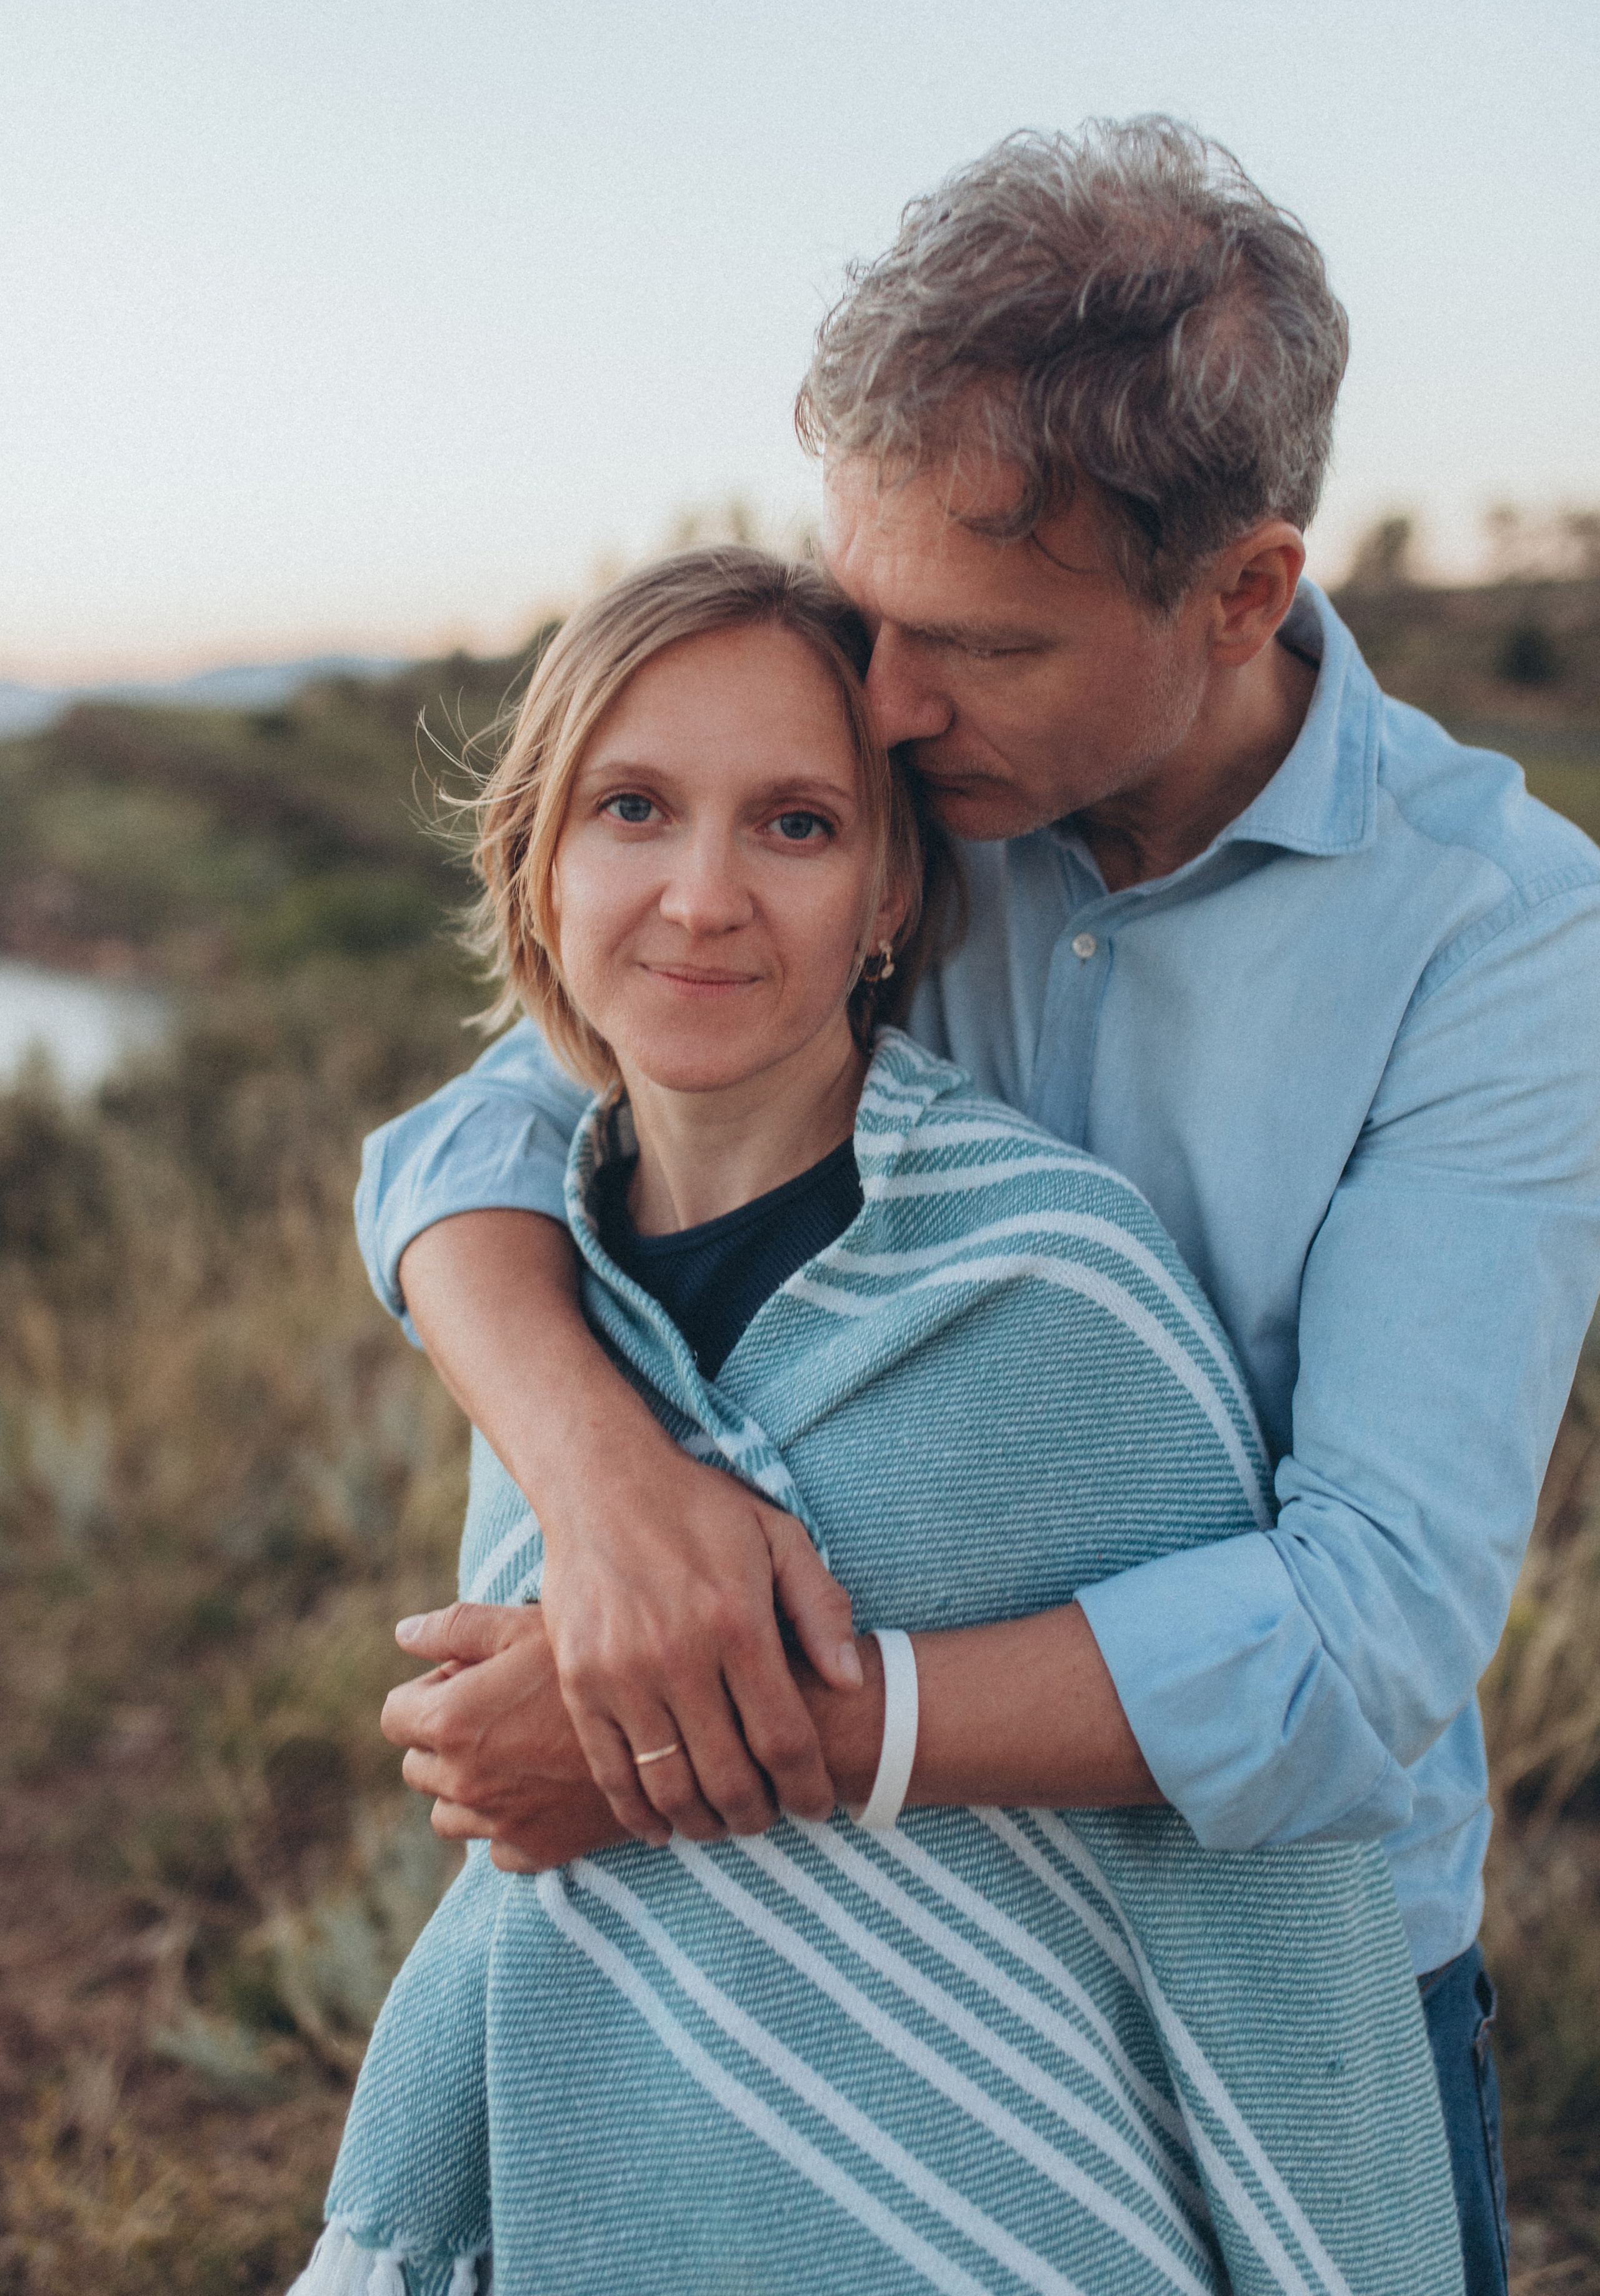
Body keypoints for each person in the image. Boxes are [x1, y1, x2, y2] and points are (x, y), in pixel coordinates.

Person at [356, 123, 1600, 2296]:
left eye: (984, 645)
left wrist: (671, 1741)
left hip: (1260, 1976)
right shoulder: (920, 797)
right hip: (796, 1954)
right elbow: (481, 1129)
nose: (897, 699)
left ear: (1243, 593)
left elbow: (1364, 1637)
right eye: (875, 618)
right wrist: (609, 1486)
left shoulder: (1505, 943)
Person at [297, 545, 1460, 2295]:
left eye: (796, 825)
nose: (700, 896)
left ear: (892, 898)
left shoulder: (1057, 1289)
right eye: (632, 809)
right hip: (610, 2181)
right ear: (536, 869)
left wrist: (638, 1752)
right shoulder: (560, 1276)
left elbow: (1270, 1881)